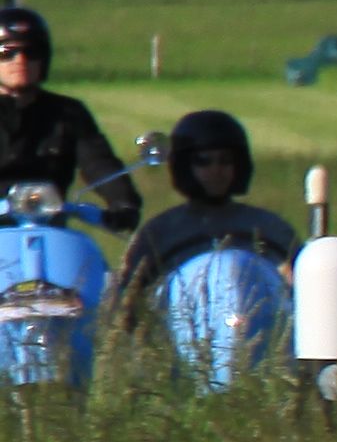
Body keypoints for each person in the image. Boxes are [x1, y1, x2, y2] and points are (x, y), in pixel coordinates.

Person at [113, 108, 297, 327]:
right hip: (177, 346)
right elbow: (126, 302)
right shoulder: (160, 232)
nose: (216, 170)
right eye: (203, 161)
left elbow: (301, 284)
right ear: (184, 165)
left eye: (225, 161)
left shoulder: (270, 227)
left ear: (239, 164)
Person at [0, 5, 134, 223]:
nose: (20, 61)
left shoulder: (68, 113)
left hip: (51, 232)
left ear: (44, 59)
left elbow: (98, 163)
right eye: (7, 53)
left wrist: (123, 202)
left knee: (90, 258)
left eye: (31, 52)